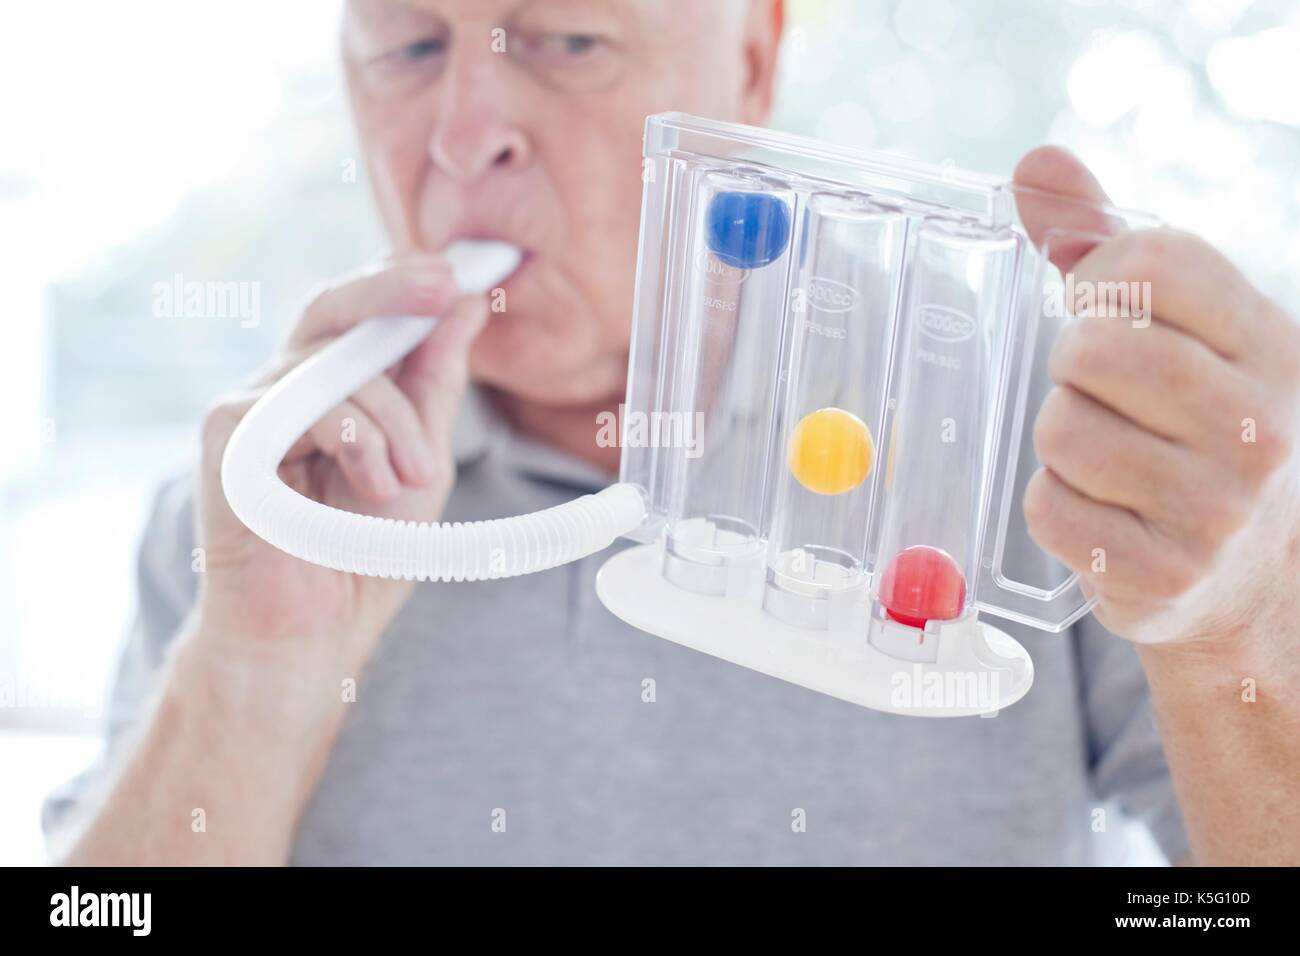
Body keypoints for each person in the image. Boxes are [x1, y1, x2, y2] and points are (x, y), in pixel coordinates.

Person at [45, 0, 1300, 865]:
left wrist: (1233, 624)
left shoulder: (1066, 458)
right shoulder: (267, 492)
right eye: (408, 42)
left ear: (750, 62)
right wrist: (255, 672)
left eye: (570, 37)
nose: (460, 131)